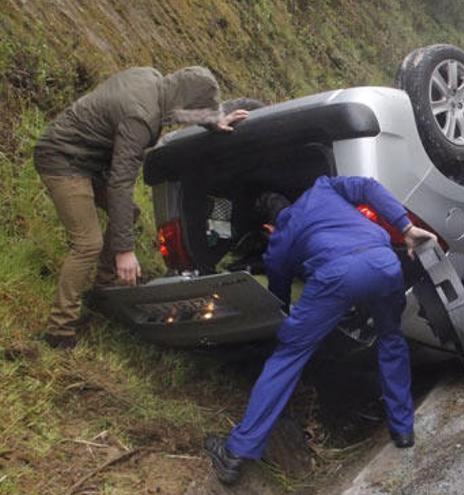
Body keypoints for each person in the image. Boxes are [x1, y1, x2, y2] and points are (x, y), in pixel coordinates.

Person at [204, 176, 437, 485]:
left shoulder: (279, 242)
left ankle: (235, 452)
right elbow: (369, 187)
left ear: (268, 227)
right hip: (383, 262)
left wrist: (287, 327)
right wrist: (405, 228)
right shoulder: (323, 188)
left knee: (288, 356)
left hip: (336, 276)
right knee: (391, 338)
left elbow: (280, 298)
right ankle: (403, 429)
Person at [33, 66, 248, 349]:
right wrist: (124, 251)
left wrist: (213, 120)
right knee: (88, 243)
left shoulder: (153, 80)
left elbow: (175, 110)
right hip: (62, 160)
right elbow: (120, 184)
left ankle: (102, 290)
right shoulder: (140, 119)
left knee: (129, 214)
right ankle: (59, 330)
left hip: (83, 158)